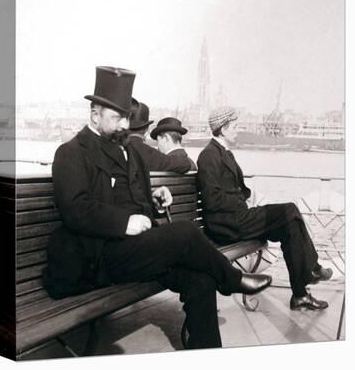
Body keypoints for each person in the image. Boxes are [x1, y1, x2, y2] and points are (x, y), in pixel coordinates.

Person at [43, 67, 272, 350]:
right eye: (117, 118)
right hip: (99, 257)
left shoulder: (126, 149)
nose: (124, 125)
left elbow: (121, 193)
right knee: (186, 232)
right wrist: (125, 221)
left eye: (127, 118)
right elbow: (75, 209)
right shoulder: (71, 153)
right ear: (94, 115)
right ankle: (233, 279)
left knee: (200, 279)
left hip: (134, 250)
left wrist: (152, 196)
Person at [197, 106, 333, 311]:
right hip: (227, 224)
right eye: (234, 126)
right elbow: (211, 199)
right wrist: (241, 203)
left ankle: (300, 295)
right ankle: (313, 268)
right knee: (290, 210)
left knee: (291, 226)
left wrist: (244, 199)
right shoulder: (209, 156)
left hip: (236, 218)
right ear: (223, 129)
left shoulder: (223, 153)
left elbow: (237, 190)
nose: (238, 129)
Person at [128, 99, 193, 173]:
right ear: (146, 129)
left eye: (157, 140)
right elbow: (185, 164)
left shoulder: (115, 147)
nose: (158, 146)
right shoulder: (149, 154)